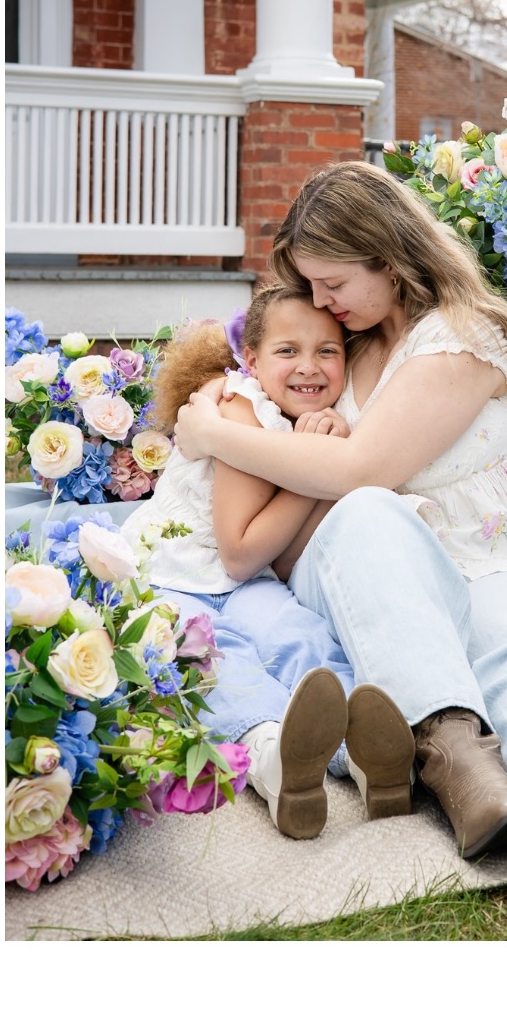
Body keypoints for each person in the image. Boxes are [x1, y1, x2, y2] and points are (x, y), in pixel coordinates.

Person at [173, 160, 507, 903]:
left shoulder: (462, 334)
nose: (319, 302)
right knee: (367, 512)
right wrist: (213, 414)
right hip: (374, 574)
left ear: (389, 259)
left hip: (491, 552)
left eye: (333, 283)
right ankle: (462, 767)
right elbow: (311, 469)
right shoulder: (337, 352)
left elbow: (366, 459)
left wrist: (210, 433)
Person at [121, 285, 416, 840]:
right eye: (288, 351)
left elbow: (279, 562)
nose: (309, 366)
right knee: (216, 656)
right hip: (171, 578)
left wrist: (328, 466)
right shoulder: (243, 408)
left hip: (250, 583)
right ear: (252, 359)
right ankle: (275, 762)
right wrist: (325, 467)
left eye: (327, 350)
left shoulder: (312, 423)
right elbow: (239, 551)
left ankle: (366, 749)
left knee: (298, 633)